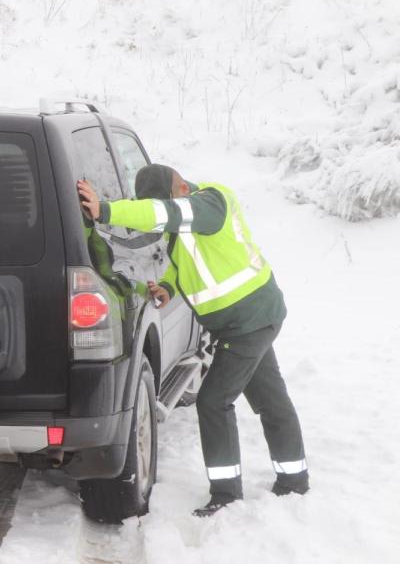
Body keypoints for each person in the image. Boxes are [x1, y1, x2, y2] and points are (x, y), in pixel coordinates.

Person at [77, 164, 308, 517]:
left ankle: (227, 495)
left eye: (164, 205)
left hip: (248, 322)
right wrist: (168, 287)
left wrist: (105, 210)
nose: (163, 217)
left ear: (181, 188)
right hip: (247, 321)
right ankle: (294, 480)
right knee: (270, 399)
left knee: (214, 401)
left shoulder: (211, 202)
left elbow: (165, 214)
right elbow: (180, 260)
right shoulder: (184, 219)